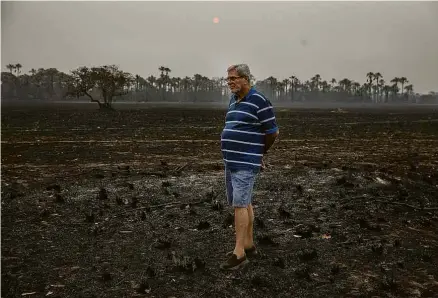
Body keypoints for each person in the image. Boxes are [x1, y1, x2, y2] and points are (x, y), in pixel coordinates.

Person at [220, 64, 279, 270]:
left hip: (246, 161)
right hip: (231, 160)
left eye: (234, 78)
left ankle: (239, 254)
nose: (230, 83)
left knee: (239, 205)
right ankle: (249, 244)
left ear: (246, 78)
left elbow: (272, 132)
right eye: (228, 80)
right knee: (244, 202)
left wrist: (259, 153)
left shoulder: (260, 101)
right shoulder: (233, 100)